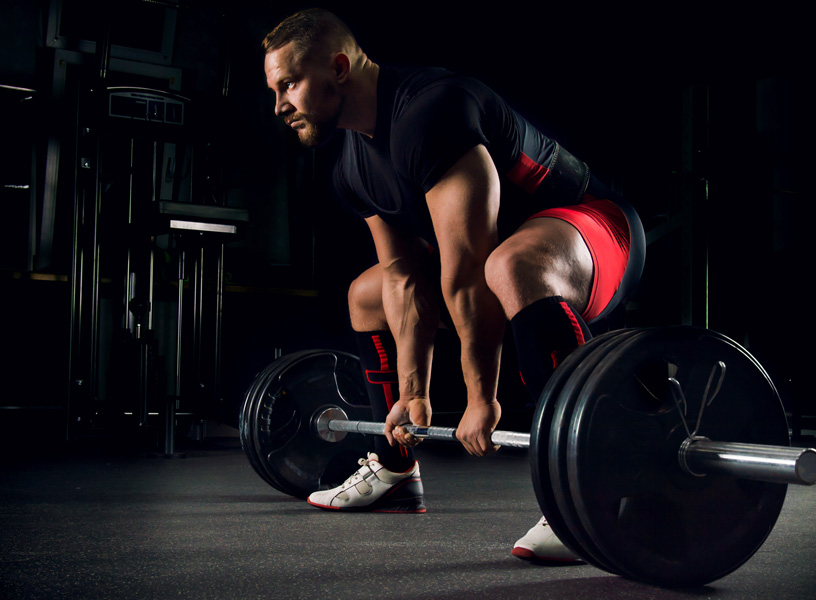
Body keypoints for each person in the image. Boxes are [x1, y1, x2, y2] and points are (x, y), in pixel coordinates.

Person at [261, 8, 643, 564]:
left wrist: (479, 398)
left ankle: (591, 487)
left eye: (288, 84)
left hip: (598, 232)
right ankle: (395, 468)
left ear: (339, 67)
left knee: (504, 266)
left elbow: (468, 271)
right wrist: (415, 394)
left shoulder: (429, 111)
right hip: (504, 260)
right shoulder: (351, 164)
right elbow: (403, 277)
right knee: (366, 294)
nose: (279, 105)